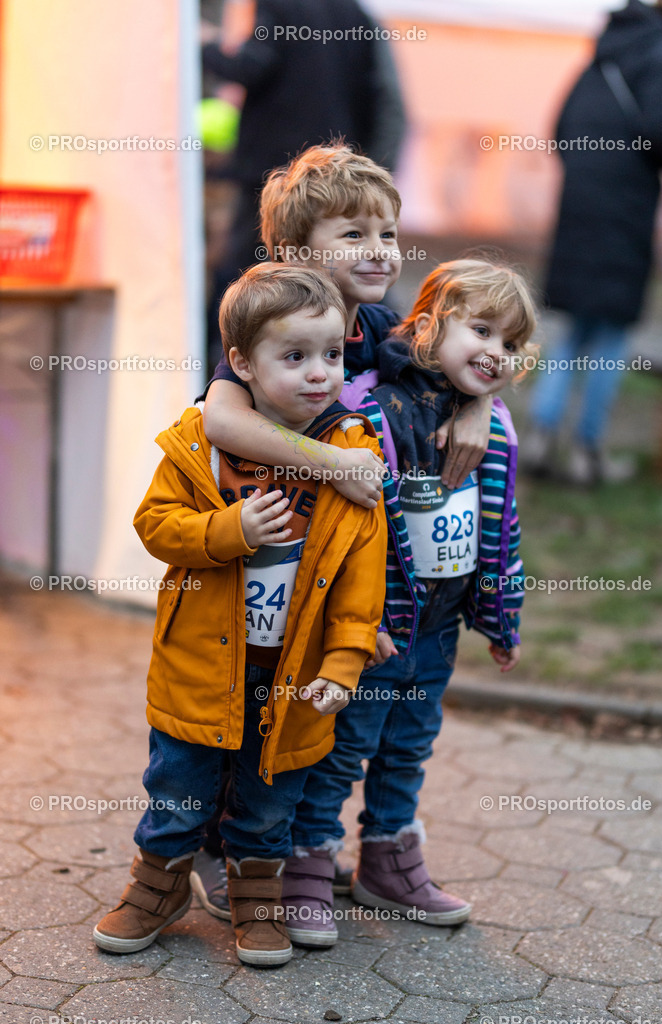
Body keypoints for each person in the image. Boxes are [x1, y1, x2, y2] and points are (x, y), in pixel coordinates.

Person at [92, 263, 387, 967]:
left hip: (292, 674)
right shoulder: (201, 444)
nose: (320, 373)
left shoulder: (351, 456)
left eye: (332, 355)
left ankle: (258, 898)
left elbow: (360, 579)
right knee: (177, 785)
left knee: (270, 795)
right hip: (200, 663)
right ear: (242, 364)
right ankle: (156, 886)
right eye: (294, 357)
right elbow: (155, 525)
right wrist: (233, 531)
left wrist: (344, 664)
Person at [282, 257, 537, 946]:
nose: (495, 352)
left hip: (439, 626)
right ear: (426, 327)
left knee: (408, 746)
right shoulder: (369, 406)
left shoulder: (493, 423)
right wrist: (354, 620)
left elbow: (498, 524)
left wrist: (500, 615)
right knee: (342, 747)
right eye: (481, 329)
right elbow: (345, 529)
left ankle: (388, 859)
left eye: (510, 344)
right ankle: (305, 867)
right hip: (375, 626)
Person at [526, 0, 662, 484]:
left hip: (579, 210)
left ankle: (538, 436)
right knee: (612, 335)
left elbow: (560, 130)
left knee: (572, 331)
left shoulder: (599, 57)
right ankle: (586, 452)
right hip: (627, 214)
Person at [201, 0, 406, 363]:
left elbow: (252, 64)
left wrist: (206, 45)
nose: (380, 249)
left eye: (388, 235)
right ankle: (250, 368)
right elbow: (385, 99)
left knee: (249, 282)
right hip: (336, 174)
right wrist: (369, 170)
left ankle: (235, 357)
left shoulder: (281, 6)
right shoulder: (356, 14)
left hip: (278, 177)